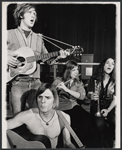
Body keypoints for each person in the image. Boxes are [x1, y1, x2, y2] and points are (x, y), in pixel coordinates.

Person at [7, 3, 69, 116]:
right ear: (21, 15)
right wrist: (5, 57)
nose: (33, 16)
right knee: (18, 118)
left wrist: (59, 55)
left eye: (35, 14)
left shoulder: (39, 38)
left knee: (36, 117)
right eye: (30, 12)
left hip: (36, 83)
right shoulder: (8, 34)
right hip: (17, 82)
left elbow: (47, 60)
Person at [7, 83, 76, 148]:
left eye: (47, 97)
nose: (43, 101)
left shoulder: (64, 118)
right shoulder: (29, 115)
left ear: (54, 100)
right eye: (40, 97)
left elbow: (68, 143)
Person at [52, 60, 96, 148]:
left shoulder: (78, 83)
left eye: (77, 70)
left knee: (87, 118)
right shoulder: (58, 80)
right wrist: (55, 89)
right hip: (60, 107)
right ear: (68, 70)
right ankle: (72, 143)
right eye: (74, 70)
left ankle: (82, 143)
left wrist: (67, 89)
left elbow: (81, 96)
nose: (76, 72)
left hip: (72, 105)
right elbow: (51, 95)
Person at [87, 57, 116, 148]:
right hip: (97, 106)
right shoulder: (94, 78)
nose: (110, 65)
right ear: (103, 65)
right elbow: (89, 92)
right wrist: (91, 95)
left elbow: (116, 99)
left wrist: (108, 110)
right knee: (99, 124)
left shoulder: (115, 81)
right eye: (108, 63)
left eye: (112, 64)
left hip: (110, 106)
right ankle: (100, 145)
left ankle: (110, 143)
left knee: (114, 121)